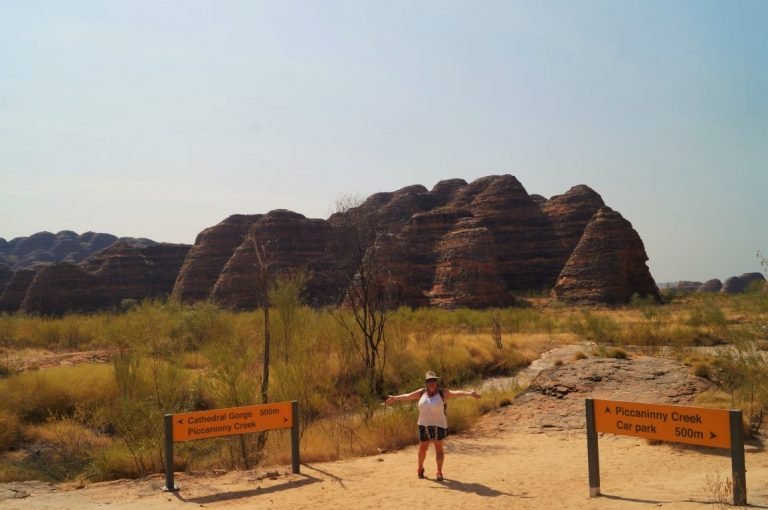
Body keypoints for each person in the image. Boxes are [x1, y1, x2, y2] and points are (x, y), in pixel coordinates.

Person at [384, 370, 481, 481]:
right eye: (429, 381)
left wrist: (469, 393)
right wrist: (395, 398)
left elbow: (455, 393)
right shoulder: (422, 392)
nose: (432, 383)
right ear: (426, 382)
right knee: (423, 448)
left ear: (436, 382)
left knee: (438, 448)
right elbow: (408, 396)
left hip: (438, 425)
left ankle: (439, 472)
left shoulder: (442, 393)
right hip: (423, 424)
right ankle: (420, 469)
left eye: (434, 380)